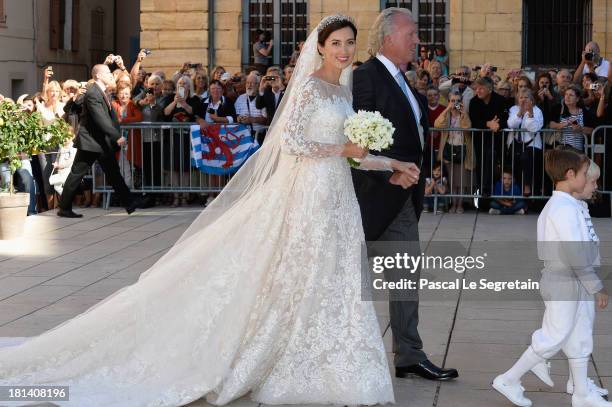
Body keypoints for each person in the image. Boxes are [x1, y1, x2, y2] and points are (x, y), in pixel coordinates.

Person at [0, 14, 419, 405]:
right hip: (309, 195)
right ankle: (288, 358)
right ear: (321, 48)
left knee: (336, 277)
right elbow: (292, 143)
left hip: (339, 197)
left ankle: (339, 366)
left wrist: (391, 163)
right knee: (301, 274)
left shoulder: (344, 90)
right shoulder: (308, 87)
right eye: (336, 43)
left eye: (349, 43)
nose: (344, 50)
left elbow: (354, 156)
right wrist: (341, 148)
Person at [352, 7, 459, 381]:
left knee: (406, 278)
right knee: (348, 281)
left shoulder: (404, 80)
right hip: (370, 198)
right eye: (411, 33)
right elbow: (357, 137)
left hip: (403, 199)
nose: (417, 40)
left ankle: (409, 355)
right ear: (388, 38)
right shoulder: (366, 76)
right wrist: (388, 176)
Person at [493, 149, 610, 407]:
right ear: (570, 175)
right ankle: (509, 379)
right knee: (553, 336)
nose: (592, 183)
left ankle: (581, 393)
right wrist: (596, 285)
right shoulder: (562, 208)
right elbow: (575, 253)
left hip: (573, 281)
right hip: (564, 282)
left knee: (579, 335)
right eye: (585, 176)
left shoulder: (568, 204)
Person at [56, 64, 141, 218]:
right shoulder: (93, 92)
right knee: (77, 174)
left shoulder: (101, 91)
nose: (111, 75)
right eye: (108, 72)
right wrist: (117, 136)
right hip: (91, 143)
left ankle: (130, 203)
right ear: (98, 76)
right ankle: (64, 208)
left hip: (100, 143)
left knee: (113, 173)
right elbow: (100, 118)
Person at [435, 89, 473, 213]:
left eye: (457, 101)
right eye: (452, 101)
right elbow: (437, 125)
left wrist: (463, 113)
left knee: (461, 179)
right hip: (448, 148)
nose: (455, 103)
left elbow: (467, 127)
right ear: (448, 101)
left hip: (462, 148)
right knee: (451, 179)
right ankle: (453, 204)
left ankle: (460, 204)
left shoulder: (464, 113)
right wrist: (447, 109)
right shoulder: (447, 114)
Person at [506, 89, 544, 196]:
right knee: (515, 167)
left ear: (531, 99)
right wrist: (519, 113)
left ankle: (527, 186)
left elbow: (533, 128)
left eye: (526, 97)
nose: (523, 100)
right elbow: (511, 124)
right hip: (516, 144)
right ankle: (517, 192)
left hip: (531, 145)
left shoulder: (537, 111)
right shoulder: (513, 109)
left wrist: (530, 113)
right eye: (521, 97)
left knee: (526, 159)